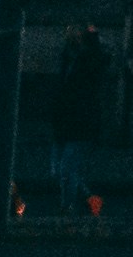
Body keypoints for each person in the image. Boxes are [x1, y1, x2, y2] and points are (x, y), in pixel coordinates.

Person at [44, 22, 116, 221]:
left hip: (81, 123)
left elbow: (100, 61)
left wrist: (93, 39)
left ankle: (66, 208)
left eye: (76, 33)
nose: (71, 36)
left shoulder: (90, 60)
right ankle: (89, 198)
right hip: (63, 122)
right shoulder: (68, 58)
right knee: (57, 170)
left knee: (67, 168)